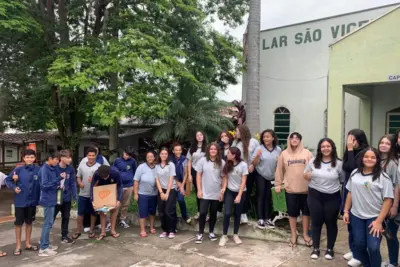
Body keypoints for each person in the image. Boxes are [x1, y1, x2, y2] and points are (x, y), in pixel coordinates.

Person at [343, 148, 394, 267]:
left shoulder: (383, 177)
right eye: (366, 156)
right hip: (356, 216)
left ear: (377, 160)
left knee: (373, 247)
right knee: (359, 245)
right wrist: (346, 210)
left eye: (372, 157)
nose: (369, 159)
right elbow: (350, 193)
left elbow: (388, 201)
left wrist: (379, 221)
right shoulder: (355, 173)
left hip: (374, 218)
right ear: (362, 158)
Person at [304, 138, 344, 260]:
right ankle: (315, 248)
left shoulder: (338, 163)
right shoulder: (312, 161)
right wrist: (306, 176)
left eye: (328, 146)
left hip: (332, 197)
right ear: (320, 149)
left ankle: (330, 249)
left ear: (332, 148)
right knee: (316, 222)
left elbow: (342, 180)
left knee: (331, 222)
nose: (325, 149)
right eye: (323, 146)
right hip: (314, 196)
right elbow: (305, 174)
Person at [275, 132, 313, 248]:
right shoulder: (284, 154)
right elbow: (279, 170)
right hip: (290, 189)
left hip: (306, 190)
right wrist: (277, 183)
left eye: (297, 138)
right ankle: (293, 235)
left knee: (306, 213)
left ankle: (305, 234)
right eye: (292, 138)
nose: (295, 139)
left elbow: (313, 169)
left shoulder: (307, 153)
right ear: (289, 140)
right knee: (292, 214)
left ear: (300, 140)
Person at [5, 149, 40, 256]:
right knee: (18, 224)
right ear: (23, 158)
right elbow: (8, 180)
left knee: (29, 223)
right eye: (27, 157)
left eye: (32, 157)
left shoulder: (39, 169)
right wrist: (14, 186)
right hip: (20, 201)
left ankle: (28, 244)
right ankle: (18, 246)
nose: (29, 159)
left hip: (32, 201)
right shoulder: (18, 170)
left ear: (35, 158)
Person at [342, 129, 369, 267]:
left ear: (359, 139)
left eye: (352, 139)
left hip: (358, 191)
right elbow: (345, 167)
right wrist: (349, 150)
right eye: (349, 139)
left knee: (356, 224)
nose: (349, 142)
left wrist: (351, 149)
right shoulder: (350, 152)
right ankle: (353, 250)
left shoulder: (365, 153)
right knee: (349, 222)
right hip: (348, 188)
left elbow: (353, 168)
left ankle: (359, 256)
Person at [195, 142, 226, 244]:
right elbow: (198, 175)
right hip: (204, 192)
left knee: (213, 214)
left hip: (216, 193)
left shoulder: (221, 162)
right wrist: (199, 190)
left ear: (218, 151)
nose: (213, 150)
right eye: (211, 149)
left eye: (215, 149)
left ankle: (211, 232)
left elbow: (224, 177)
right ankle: (200, 233)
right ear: (208, 150)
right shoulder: (202, 161)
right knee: (203, 213)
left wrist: (223, 191)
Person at [251, 129, 281, 229]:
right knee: (261, 195)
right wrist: (257, 157)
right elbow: (254, 164)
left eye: (268, 136)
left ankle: (267, 218)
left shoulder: (278, 149)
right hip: (260, 175)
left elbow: (280, 165)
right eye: (264, 137)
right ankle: (260, 218)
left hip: (271, 176)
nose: (265, 138)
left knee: (268, 197)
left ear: (273, 138)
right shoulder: (259, 148)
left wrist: (278, 162)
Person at [378, 135, 400, 267]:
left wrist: (394, 206)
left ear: (392, 146)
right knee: (378, 233)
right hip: (377, 204)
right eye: (382, 142)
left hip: (390, 203)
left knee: (390, 234)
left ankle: (392, 261)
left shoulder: (392, 163)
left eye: (387, 143)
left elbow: (396, 185)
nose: (384, 145)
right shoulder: (375, 159)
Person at [219, 147, 248, 247]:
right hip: (230, 191)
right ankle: (224, 235)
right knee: (227, 213)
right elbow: (226, 178)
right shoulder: (228, 164)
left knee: (237, 214)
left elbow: (244, 181)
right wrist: (223, 189)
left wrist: (239, 195)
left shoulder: (243, 165)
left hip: (240, 192)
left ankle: (235, 234)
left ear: (234, 155)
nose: (227, 155)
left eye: (229, 153)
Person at [232, 124, 259, 224]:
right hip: (236, 172)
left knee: (246, 193)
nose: (235, 133)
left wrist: (253, 165)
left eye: (237, 131)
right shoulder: (235, 142)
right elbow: (231, 155)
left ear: (243, 131)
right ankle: (237, 213)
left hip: (249, 171)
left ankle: (243, 213)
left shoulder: (253, 142)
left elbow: (258, 155)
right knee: (237, 192)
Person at [73, 147, 101, 240]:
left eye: (93, 155)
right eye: (90, 155)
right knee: (80, 213)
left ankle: (91, 230)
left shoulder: (99, 166)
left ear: (96, 156)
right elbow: (78, 176)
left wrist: (94, 181)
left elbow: (102, 180)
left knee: (93, 213)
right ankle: (78, 230)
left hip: (94, 195)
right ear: (87, 156)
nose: (91, 157)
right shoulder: (82, 166)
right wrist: (80, 183)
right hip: (83, 194)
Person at [38, 150, 62, 257]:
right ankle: (43, 248)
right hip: (47, 199)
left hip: (51, 198)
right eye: (56, 159)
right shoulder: (44, 169)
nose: (58, 161)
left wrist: (57, 183)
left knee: (49, 223)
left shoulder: (51, 168)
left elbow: (50, 184)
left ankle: (45, 243)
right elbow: (44, 185)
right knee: (47, 223)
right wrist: (58, 179)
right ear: (50, 159)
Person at [91, 165, 122, 241]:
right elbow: (92, 187)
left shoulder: (115, 172)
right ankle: (103, 232)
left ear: (109, 173)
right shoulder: (96, 174)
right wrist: (93, 200)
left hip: (113, 191)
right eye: (103, 177)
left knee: (114, 210)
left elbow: (120, 186)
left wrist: (118, 199)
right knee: (103, 211)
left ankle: (112, 230)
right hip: (101, 193)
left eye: (106, 176)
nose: (104, 178)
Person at [54, 150, 77, 244]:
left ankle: (64, 236)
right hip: (55, 198)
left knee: (66, 217)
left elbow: (72, 183)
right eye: (68, 157)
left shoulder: (70, 169)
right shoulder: (54, 168)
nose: (70, 159)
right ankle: (45, 238)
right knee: (51, 218)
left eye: (70, 157)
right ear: (61, 158)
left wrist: (74, 196)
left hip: (66, 197)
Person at [134, 150, 158, 237]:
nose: (150, 158)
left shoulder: (157, 167)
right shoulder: (141, 167)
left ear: (154, 157)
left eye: (151, 156)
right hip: (142, 194)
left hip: (154, 194)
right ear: (146, 158)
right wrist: (136, 193)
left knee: (152, 212)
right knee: (143, 212)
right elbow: (136, 181)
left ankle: (151, 227)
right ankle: (142, 230)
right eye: (148, 157)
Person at [112, 147, 137, 228]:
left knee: (125, 204)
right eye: (126, 154)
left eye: (129, 155)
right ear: (123, 152)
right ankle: (111, 221)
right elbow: (113, 171)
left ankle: (122, 220)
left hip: (129, 186)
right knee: (114, 203)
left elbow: (135, 172)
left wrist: (133, 184)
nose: (126, 156)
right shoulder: (117, 160)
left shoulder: (133, 161)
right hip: (118, 185)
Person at [155, 148, 177, 239]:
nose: (164, 155)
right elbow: (157, 179)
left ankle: (172, 230)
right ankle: (165, 230)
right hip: (161, 190)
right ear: (159, 155)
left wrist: (167, 193)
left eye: (165, 154)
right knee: (161, 212)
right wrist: (161, 192)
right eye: (162, 153)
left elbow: (171, 179)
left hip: (170, 190)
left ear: (168, 155)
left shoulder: (171, 165)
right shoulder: (157, 166)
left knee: (168, 211)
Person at [187, 131, 207, 220]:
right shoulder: (192, 148)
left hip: (205, 173)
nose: (199, 136)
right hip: (195, 172)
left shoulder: (208, 147)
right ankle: (199, 212)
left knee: (206, 193)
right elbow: (189, 162)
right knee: (198, 192)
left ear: (203, 136)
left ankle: (205, 213)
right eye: (197, 135)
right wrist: (189, 175)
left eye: (201, 135)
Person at [171, 143, 191, 224]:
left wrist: (182, 186)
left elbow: (186, 173)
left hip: (182, 182)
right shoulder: (170, 159)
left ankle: (184, 215)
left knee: (180, 199)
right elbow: (171, 173)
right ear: (173, 151)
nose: (178, 151)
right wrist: (177, 183)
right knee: (172, 201)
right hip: (172, 182)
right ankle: (173, 218)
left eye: (179, 150)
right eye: (176, 150)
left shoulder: (184, 159)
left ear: (181, 151)